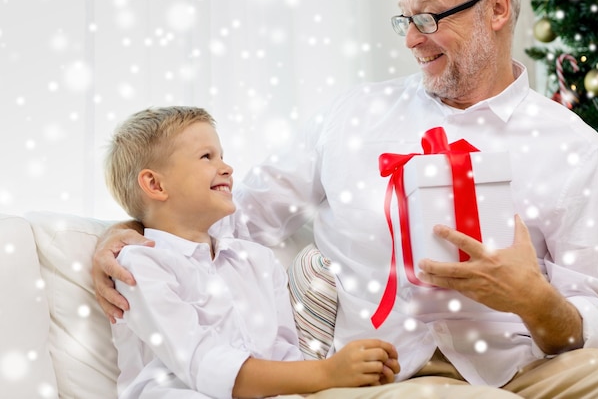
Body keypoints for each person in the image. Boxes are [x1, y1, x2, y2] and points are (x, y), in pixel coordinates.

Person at [94, 0, 598, 397]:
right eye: (404, 21)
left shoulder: (573, 148)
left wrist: (536, 302)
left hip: (529, 371)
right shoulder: (354, 117)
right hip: (381, 371)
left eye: (429, 18)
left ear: (497, 9)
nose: (412, 41)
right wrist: (134, 231)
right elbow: (237, 218)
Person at [102, 106, 401, 399]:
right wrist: (328, 372)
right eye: (207, 157)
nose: (227, 168)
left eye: (222, 156)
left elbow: (284, 354)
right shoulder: (139, 265)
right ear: (155, 184)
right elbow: (201, 363)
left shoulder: (258, 261)